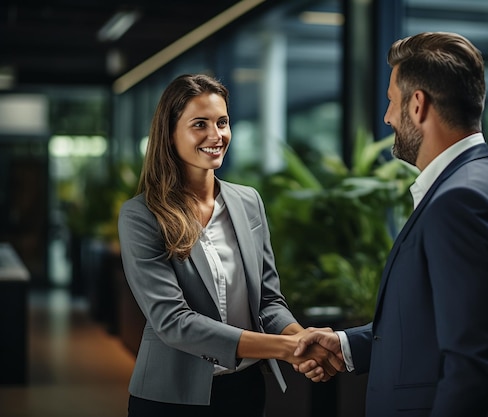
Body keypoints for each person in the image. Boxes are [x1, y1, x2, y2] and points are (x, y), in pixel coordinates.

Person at [294, 32, 488, 417]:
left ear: (418, 104)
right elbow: (440, 329)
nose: (388, 116)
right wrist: (347, 345)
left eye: (392, 101)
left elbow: (472, 366)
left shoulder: (461, 201)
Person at [118, 73, 342, 417]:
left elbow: (267, 301)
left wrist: (303, 338)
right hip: (171, 397)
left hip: (244, 390)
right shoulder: (141, 216)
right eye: (200, 124)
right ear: (170, 133)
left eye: (222, 122)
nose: (216, 135)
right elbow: (173, 322)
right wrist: (286, 347)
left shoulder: (248, 201)